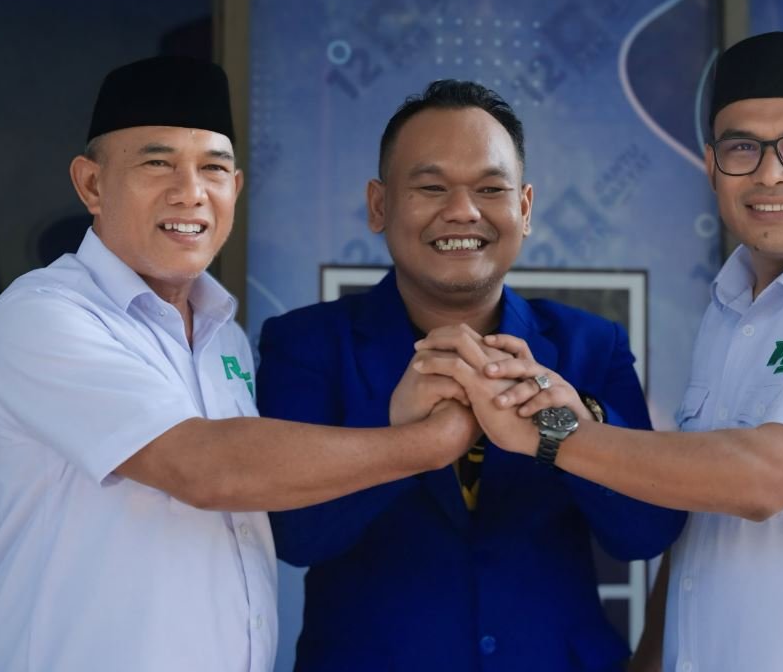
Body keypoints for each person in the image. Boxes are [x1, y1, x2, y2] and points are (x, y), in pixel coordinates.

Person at [414, 32, 783, 672]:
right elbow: (702, 505)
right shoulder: (731, 310)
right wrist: (649, 660)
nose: (770, 172)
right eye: (742, 148)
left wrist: (552, 433)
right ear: (711, 165)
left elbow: (761, 480)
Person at [0, 57, 478, 672]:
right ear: (92, 184)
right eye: (157, 163)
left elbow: (259, 478)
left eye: (212, 168)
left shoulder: (224, 338)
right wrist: (430, 441)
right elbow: (203, 467)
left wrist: (398, 425)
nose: (190, 192)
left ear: (234, 187)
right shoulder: (43, 315)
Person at [257, 80, 686, 671]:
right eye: (431, 187)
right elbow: (292, 535)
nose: (463, 211)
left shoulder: (591, 346)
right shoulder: (306, 344)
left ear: (525, 209)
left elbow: (645, 534)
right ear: (379, 205)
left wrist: (565, 430)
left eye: (490, 189)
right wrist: (398, 436)